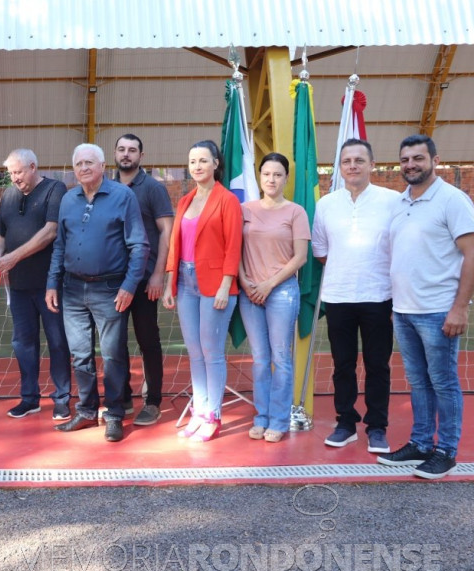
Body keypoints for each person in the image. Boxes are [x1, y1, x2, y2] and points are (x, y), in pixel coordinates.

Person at [377, 135, 474, 479]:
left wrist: (460, 308)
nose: (411, 165)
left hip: (438, 311)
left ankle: (446, 451)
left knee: (443, 382)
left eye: (418, 158)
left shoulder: (453, 200)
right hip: (404, 312)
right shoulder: (400, 202)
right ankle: (421, 443)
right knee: (418, 382)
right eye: (405, 159)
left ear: (435, 160)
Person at [46, 143, 148, 442]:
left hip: (110, 289)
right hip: (73, 289)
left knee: (114, 355)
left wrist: (129, 286)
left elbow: (139, 245)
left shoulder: (122, 196)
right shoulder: (68, 199)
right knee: (79, 355)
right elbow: (60, 246)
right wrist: (53, 282)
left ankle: (114, 414)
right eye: (78, 164)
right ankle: (87, 411)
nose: (83, 168)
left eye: (89, 162)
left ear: (103, 166)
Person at [312, 139, 400, 453]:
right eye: (347, 160)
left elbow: (400, 248)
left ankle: (377, 427)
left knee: (378, 365)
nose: (353, 165)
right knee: (342, 365)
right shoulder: (325, 205)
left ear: (372, 165)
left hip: (379, 297)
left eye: (359, 160)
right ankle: (346, 423)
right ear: (340, 167)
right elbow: (322, 252)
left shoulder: (393, 201)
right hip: (338, 297)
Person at [162, 140, 242, 442]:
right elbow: (175, 245)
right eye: (193, 160)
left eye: (203, 160)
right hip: (185, 282)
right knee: (194, 352)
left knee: (212, 352)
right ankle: (199, 410)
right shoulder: (185, 201)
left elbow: (234, 246)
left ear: (216, 164)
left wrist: (225, 285)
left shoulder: (228, 201)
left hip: (215, 285)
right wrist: (171, 281)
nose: (197, 166)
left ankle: (214, 415)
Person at [0, 149, 72, 420]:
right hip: (19, 285)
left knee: (58, 341)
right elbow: (1, 234)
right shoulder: (8, 195)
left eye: (19, 172)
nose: (14, 178)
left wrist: (13, 256)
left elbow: (51, 231)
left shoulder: (55, 189)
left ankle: (61, 399)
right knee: (23, 342)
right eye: (11, 173)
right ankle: (29, 398)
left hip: (50, 284)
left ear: (33, 167)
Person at [237, 153, 310, 443]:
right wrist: (245, 281)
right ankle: (261, 417)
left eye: (278, 175)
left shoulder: (296, 212)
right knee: (259, 359)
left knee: (281, 359)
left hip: (281, 292)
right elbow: (235, 250)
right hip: (249, 292)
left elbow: (301, 257)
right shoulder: (245, 209)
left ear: (286, 179)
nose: (271, 179)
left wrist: (269, 284)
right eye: (266, 173)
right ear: (259, 176)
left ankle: (279, 420)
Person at [112, 134, 174, 426]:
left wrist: (158, 274)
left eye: (132, 150)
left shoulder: (152, 189)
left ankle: (152, 402)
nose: (126, 155)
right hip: (112, 280)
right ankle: (122, 397)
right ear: (114, 153)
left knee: (148, 340)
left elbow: (166, 231)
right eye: (122, 150)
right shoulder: (106, 187)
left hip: (145, 278)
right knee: (115, 342)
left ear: (141, 155)